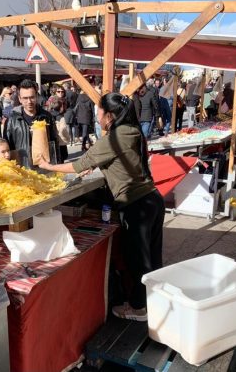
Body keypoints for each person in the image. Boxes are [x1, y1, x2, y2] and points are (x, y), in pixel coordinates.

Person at [39, 92, 165, 321]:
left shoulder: (113, 138)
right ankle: (155, 303)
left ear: (109, 115)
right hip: (153, 199)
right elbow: (118, 162)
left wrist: (48, 166)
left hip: (136, 205)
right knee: (153, 257)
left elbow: (78, 165)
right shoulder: (133, 131)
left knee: (137, 260)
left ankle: (138, 309)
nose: (96, 115)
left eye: (99, 111)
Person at [3, 79, 59, 167]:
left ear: (36, 96)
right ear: (19, 99)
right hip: (22, 169)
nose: (29, 101)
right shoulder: (11, 120)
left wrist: (57, 166)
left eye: (32, 97)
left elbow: (55, 143)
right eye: (25, 98)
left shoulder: (47, 117)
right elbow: (6, 148)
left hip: (44, 168)